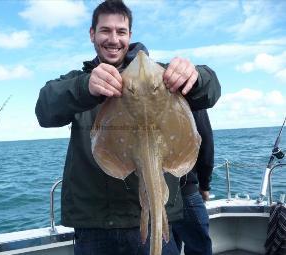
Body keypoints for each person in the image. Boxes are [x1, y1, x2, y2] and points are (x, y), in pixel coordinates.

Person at [35, 0, 221, 254]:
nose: (114, 39)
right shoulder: (78, 83)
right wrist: (85, 87)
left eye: (121, 31)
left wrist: (196, 76)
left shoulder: (162, 77)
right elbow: (44, 110)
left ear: (129, 35)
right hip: (95, 224)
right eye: (105, 30)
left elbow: (210, 92)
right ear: (92, 34)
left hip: (157, 214)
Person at [171, 109, 214, 255]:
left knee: (169, 246)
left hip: (152, 194)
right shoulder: (190, 92)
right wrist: (204, 185)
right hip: (185, 190)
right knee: (200, 246)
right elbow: (206, 141)